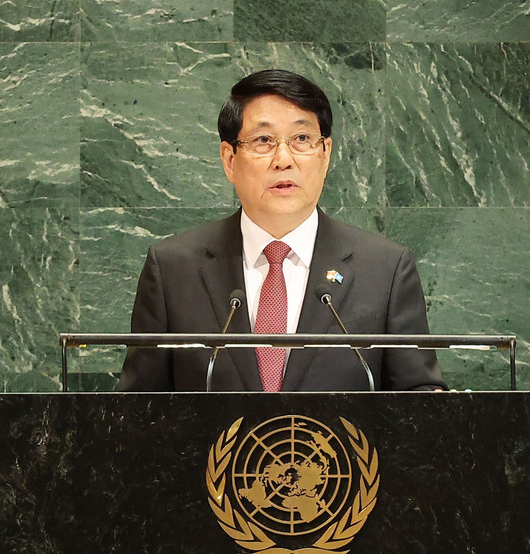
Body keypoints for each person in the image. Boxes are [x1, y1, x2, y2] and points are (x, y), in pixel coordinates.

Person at [117, 69, 446, 392]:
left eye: (302, 139)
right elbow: (136, 409)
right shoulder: (173, 268)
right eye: (263, 140)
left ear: (325, 154)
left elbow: (419, 401)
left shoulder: (385, 269)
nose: (283, 159)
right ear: (229, 159)